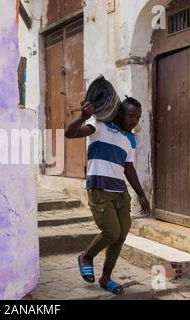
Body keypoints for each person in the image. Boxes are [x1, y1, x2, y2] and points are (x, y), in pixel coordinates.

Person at [64, 96, 150, 295]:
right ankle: (87, 256)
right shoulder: (99, 125)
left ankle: (106, 277)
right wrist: (81, 117)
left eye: (137, 117)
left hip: (120, 193)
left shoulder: (129, 139)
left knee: (120, 236)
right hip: (99, 189)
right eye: (131, 116)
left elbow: (128, 168)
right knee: (111, 232)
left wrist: (141, 195)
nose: (134, 121)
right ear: (120, 113)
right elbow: (70, 133)